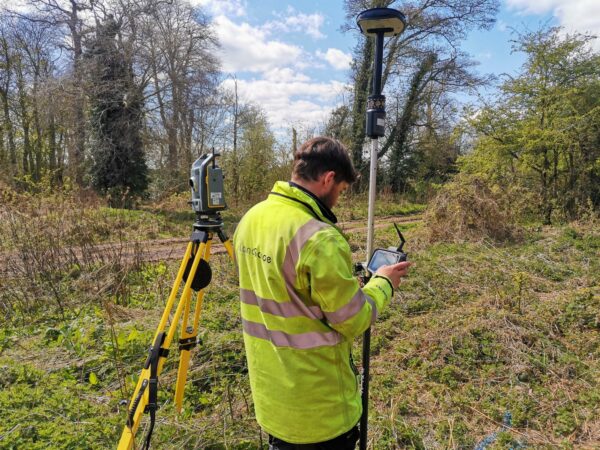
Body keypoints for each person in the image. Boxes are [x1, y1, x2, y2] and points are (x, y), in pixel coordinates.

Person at [233, 136, 411, 449]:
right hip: (319, 414)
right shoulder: (319, 238)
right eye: (341, 190)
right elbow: (354, 321)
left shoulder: (251, 219)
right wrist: (383, 283)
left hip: (272, 402)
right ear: (328, 178)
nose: (339, 199)